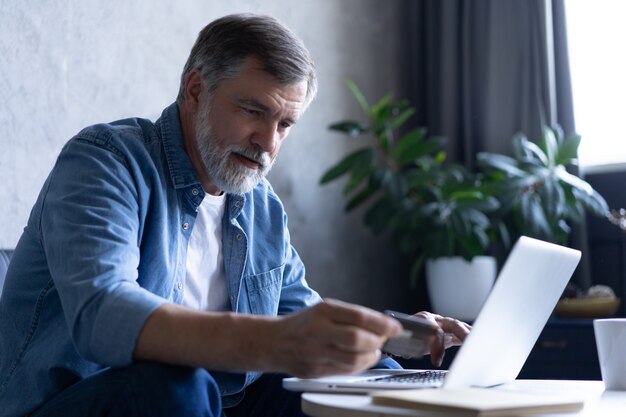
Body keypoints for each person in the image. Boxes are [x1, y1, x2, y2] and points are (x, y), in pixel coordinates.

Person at [0, 13, 470, 417]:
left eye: (284, 124)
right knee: (178, 385)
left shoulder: (260, 206)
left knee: (373, 378)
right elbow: (102, 313)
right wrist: (274, 342)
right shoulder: (107, 161)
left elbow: (299, 316)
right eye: (253, 111)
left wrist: (387, 333)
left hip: (216, 400)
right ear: (195, 89)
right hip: (73, 401)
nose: (268, 143)